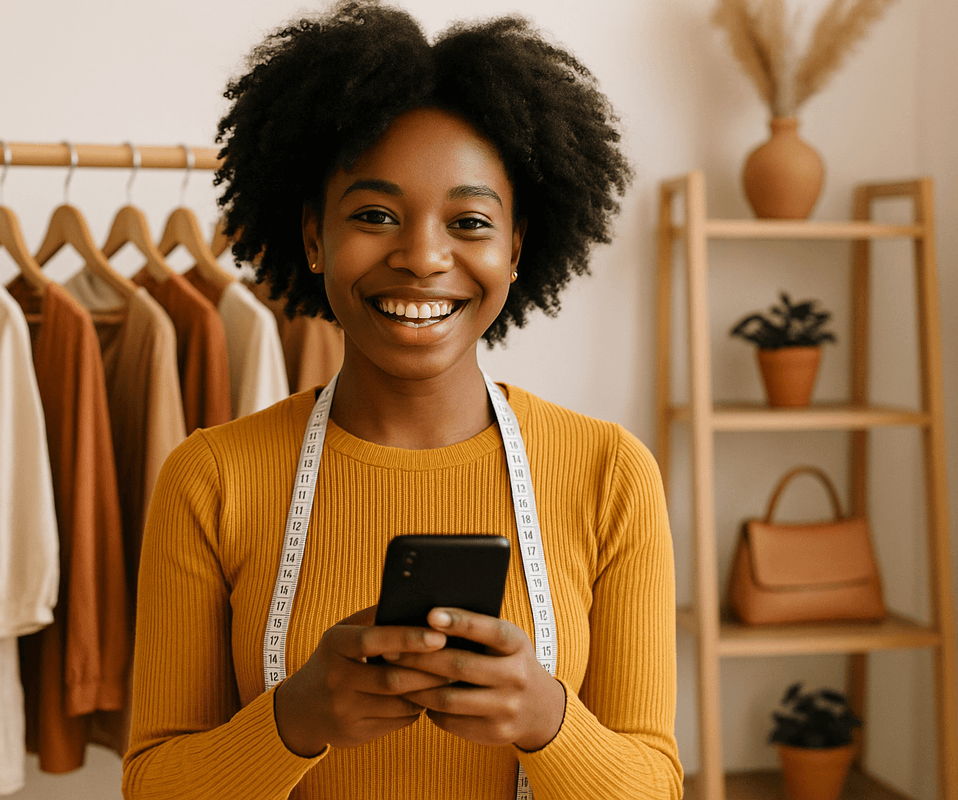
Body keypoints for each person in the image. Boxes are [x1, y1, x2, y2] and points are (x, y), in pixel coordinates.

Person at [122, 2, 681, 798]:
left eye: (470, 221)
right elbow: (153, 786)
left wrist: (546, 719)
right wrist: (295, 719)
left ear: (516, 247)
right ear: (313, 237)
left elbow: (655, 787)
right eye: (375, 215)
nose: (422, 256)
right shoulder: (211, 478)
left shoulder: (609, 474)